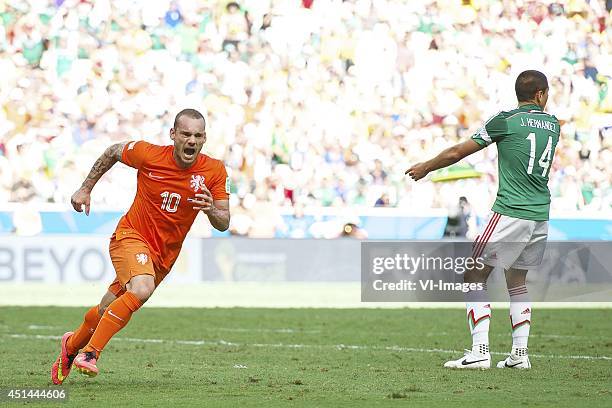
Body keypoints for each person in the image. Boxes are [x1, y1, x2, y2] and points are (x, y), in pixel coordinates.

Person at [51, 109, 231, 384]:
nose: (191, 140)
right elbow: (113, 151)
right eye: (185, 134)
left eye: (197, 135)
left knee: (106, 309)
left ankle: (71, 344)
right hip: (130, 236)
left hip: (163, 257)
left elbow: (224, 222)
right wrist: (86, 188)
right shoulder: (148, 154)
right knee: (141, 288)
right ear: (173, 135)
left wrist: (209, 210)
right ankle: (89, 353)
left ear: (204, 138)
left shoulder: (214, 170)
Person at [406, 70, 560, 369]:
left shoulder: (507, 120)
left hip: (511, 210)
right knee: (517, 280)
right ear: (541, 94)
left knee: (473, 274)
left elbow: (456, 152)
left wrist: (426, 166)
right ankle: (519, 356)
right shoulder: (553, 125)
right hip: (540, 213)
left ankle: (479, 351)